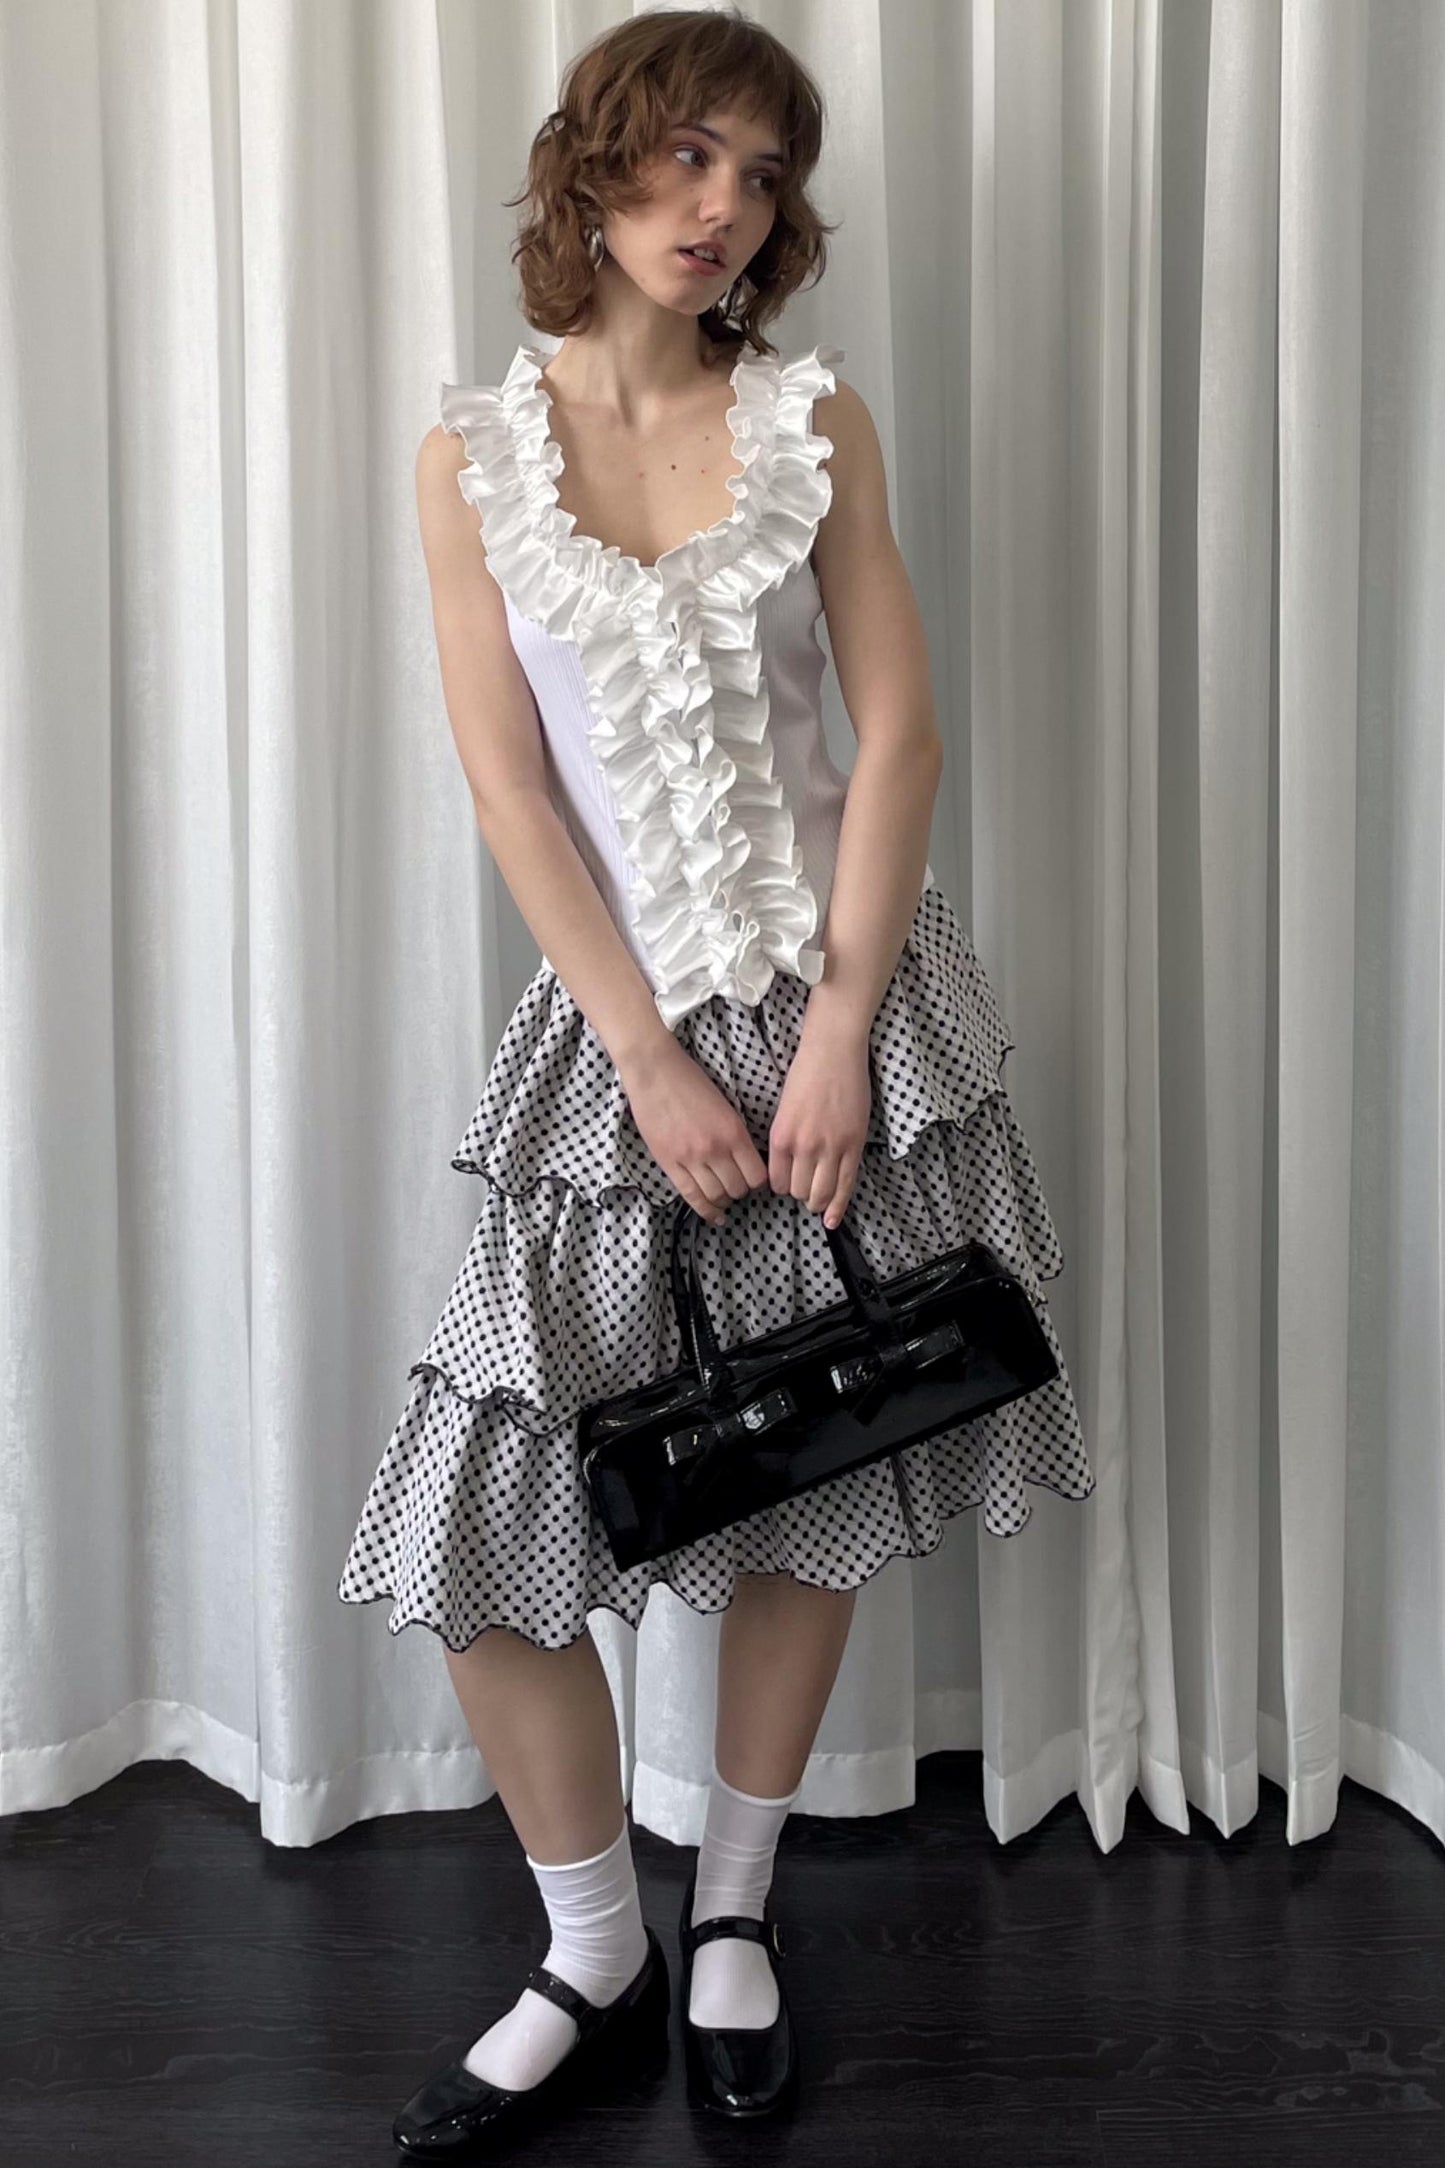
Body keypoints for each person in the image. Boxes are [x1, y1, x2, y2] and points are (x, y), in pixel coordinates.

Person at [338, 5, 1094, 2154]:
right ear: (590, 168)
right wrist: (650, 1057)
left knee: (820, 1460)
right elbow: (512, 792)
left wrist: (840, 1031)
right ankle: (592, 1944)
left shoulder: (812, 419)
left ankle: (736, 1910)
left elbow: (900, 734)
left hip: (853, 1015)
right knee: (485, 1518)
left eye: (761, 177)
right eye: (684, 157)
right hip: (621, 1039)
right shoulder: (470, 460)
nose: (722, 208)